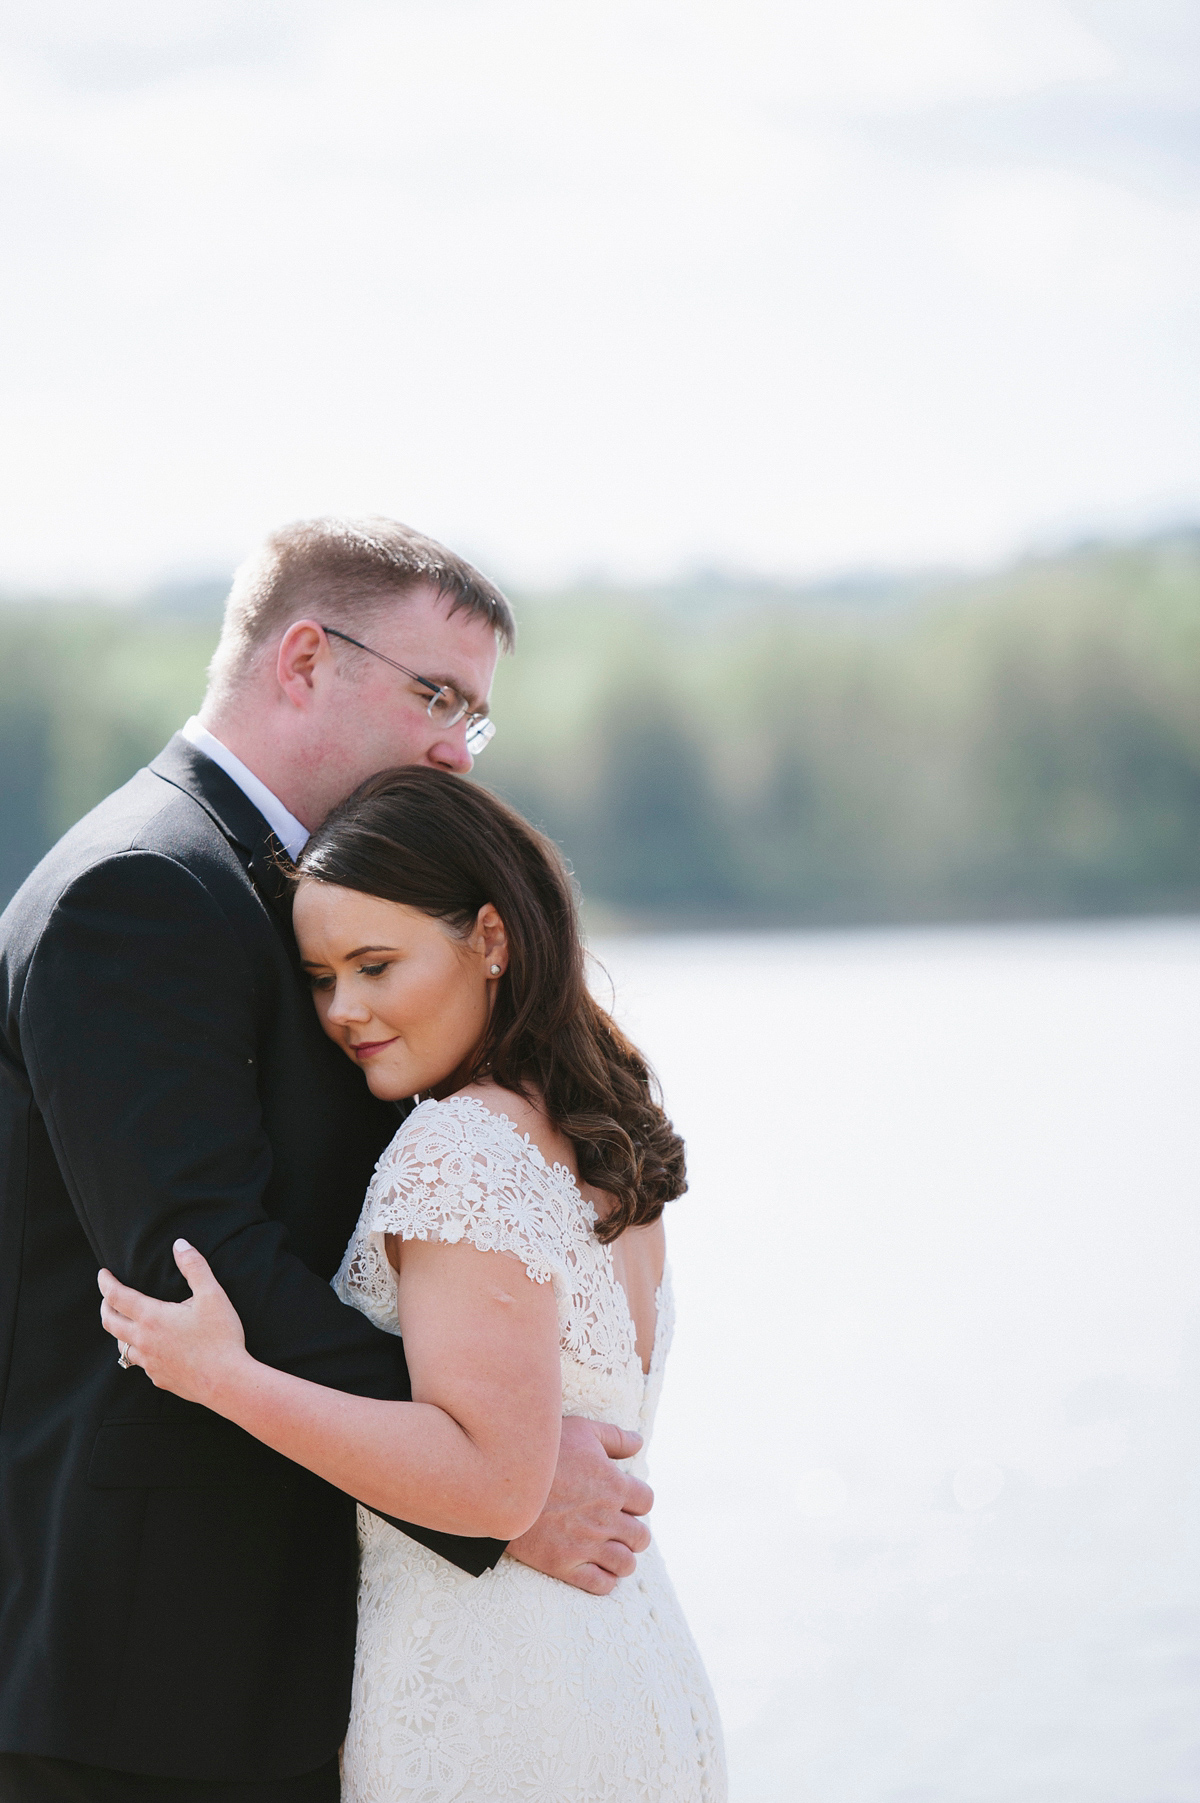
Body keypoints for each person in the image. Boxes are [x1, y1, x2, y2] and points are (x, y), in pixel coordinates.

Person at [0, 519, 652, 1803]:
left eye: (475, 715)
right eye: (437, 695)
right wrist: (496, 1476)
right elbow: (203, 1274)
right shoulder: (137, 889)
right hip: (145, 1678)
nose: (455, 747)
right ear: (304, 657)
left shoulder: (316, 896)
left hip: (299, 1660)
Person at [98, 765, 727, 1801]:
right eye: (320, 977)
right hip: (627, 1661)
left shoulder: (459, 1149)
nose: (344, 1010)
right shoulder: (592, 1130)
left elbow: (495, 1484)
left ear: (489, 938)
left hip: (498, 1699)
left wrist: (225, 1377)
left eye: (377, 965)